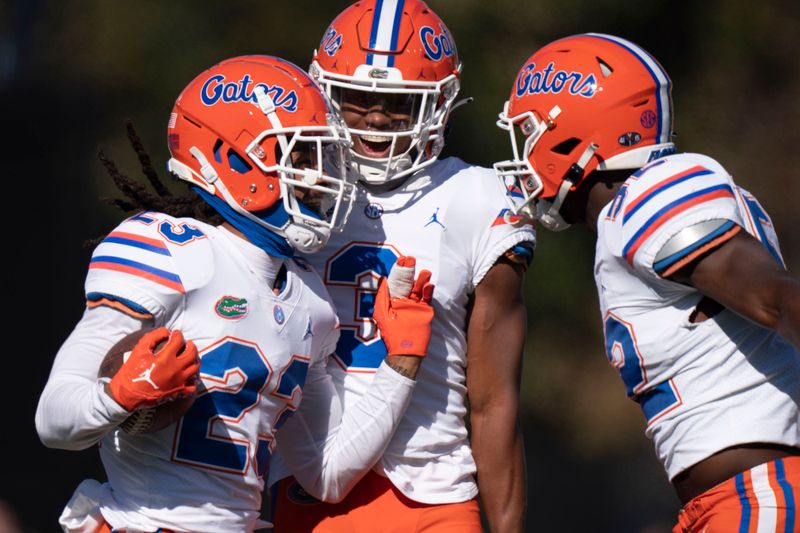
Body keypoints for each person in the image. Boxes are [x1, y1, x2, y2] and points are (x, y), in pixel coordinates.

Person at [35, 54, 438, 533]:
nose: (318, 176)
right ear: (233, 158)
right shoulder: (171, 251)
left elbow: (326, 473)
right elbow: (53, 419)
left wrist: (403, 361)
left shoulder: (311, 302)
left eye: (322, 158)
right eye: (300, 156)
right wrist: (119, 396)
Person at [494, 33, 800, 532]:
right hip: (729, 502)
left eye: (529, 133)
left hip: (757, 499)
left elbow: (777, 297)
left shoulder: (649, 195)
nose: (523, 156)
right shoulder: (634, 211)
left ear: (572, 133)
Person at [268, 2, 537, 532]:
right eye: (358, 96)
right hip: (308, 486)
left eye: (396, 101)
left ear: (439, 104)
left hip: (433, 495)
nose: (375, 115)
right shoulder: (288, 187)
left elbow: (493, 400)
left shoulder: (476, 197)